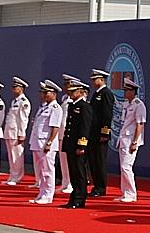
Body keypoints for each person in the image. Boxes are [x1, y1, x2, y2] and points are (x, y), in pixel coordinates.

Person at [28, 81, 65, 204]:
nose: (43, 95)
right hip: (38, 141)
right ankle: (42, 193)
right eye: (42, 92)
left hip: (46, 143)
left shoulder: (55, 108)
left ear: (53, 94)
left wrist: (49, 142)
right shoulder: (44, 107)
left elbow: (55, 127)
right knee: (40, 169)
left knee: (47, 170)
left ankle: (48, 194)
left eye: (45, 92)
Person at [60, 79, 91, 207]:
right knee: (73, 171)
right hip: (70, 144)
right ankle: (74, 196)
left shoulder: (84, 107)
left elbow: (85, 127)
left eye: (73, 91)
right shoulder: (72, 105)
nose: (71, 93)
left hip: (78, 145)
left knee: (79, 172)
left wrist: (81, 145)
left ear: (80, 92)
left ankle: (80, 198)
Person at [115, 80, 147, 203]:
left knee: (126, 166)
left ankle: (131, 193)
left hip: (131, 140)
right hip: (123, 138)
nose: (125, 93)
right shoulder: (126, 104)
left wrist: (135, 142)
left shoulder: (139, 105)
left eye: (127, 90)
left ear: (133, 91)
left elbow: (140, 124)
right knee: (123, 167)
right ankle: (125, 192)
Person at [87, 69, 115, 197]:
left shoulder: (106, 94)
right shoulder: (96, 94)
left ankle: (101, 187)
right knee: (93, 161)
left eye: (95, 79)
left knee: (100, 161)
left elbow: (107, 114)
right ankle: (96, 186)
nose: (93, 82)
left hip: (100, 133)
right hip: (92, 133)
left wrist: (105, 132)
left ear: (102, 80)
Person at [2, 78, 31, 186]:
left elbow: (23, 119)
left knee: (17, 156)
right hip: (10, 131)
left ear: (21, 88)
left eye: (16, 87)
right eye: (13, 87)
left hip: (16, 132)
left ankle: (17, 176)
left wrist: (21, 134)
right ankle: (12, 175)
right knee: (11, 155)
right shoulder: (15, 101)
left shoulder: (24, 102)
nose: (13, 89)